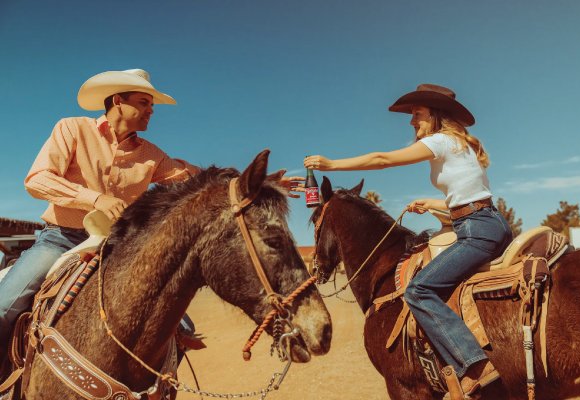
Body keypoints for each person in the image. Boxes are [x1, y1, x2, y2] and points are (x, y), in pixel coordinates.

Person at [0, 69, 304, 364]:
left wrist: (261, 184)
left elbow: (202, 179)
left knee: (181, 328)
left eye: (152, 105)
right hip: (61, 238)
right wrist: (94, 198)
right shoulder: (72, 129)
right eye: (145, 103)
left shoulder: (152, 154)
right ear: (118, 101)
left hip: (118, 247)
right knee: (4, 307)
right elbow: (37, 179)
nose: (151, 111)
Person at [304, 84, 512, 396]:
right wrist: (433, 202)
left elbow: (382, 160)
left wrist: (332, 165)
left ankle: (474, 366)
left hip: (476, 230)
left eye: (417, 114)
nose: (412, 122)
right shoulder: (460, 145)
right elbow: (475, 198)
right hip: (487, 222)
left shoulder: (440, 141)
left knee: (419, 289)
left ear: (436, 116)